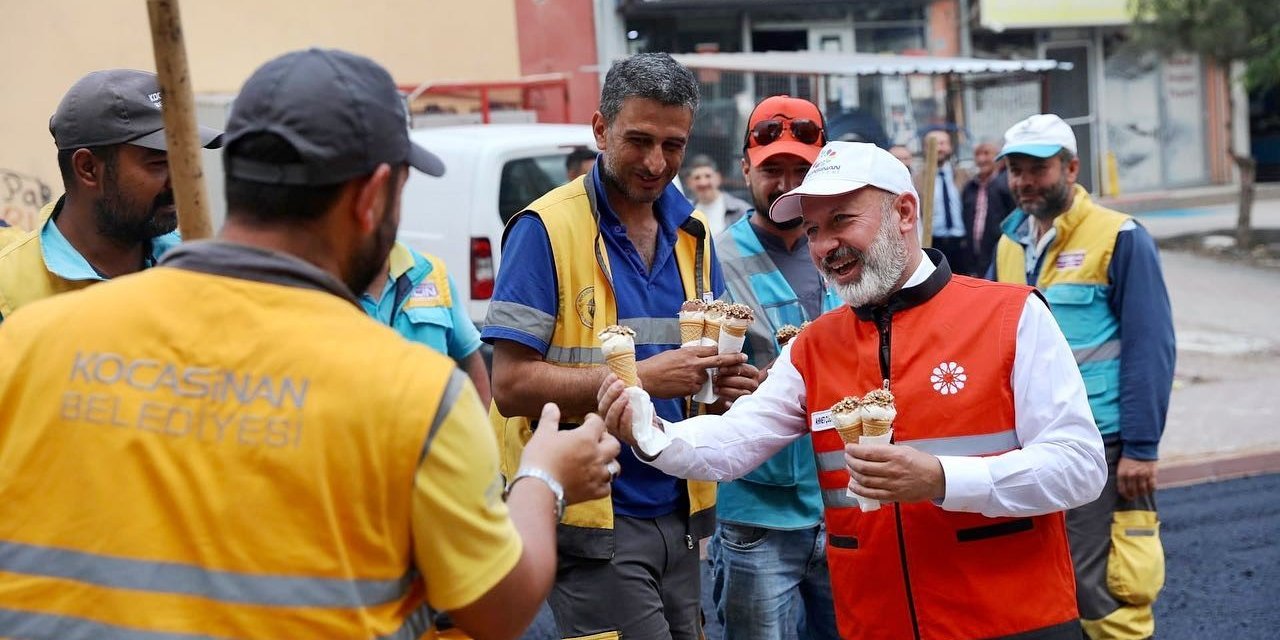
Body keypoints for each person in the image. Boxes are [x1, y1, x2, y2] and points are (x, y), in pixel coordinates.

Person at [0, 48, 621, 639]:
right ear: (373, 196)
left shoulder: (29, 339)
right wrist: (544, 476)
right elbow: (501, 612)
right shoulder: (412, 394)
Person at [599, 141, 1108, 640]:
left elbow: (1080, 467)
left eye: (842, 220)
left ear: (904, 213)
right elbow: (735, 442)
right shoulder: (814, 345)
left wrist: (942, 478)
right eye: (813, 228)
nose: (823, 246)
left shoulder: (1011, 316)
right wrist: (652, 432)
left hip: (1011, 620)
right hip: (874, 622)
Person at [482, 52, 756, 639]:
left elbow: (696, 384)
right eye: (639, 140)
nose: (657, 162)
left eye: (673, 144)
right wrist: (646, 380)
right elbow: (509, 386)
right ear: (600, 129)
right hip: (594, 521)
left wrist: (725, 388)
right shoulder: (544, 229)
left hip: (681, 515)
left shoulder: (694, 235)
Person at [992, 113, 1176, 640]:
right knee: (1047, 580)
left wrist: (1141, 446)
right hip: (1030, 442)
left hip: (1103, 440)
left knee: (1106, 586)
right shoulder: (1009, 244)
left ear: (1071, 168)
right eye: (1017, 170)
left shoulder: (1121, 236)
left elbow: (1151, 347)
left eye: (1039, 169)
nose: (1026, 181)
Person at [709, 94, 841, 640]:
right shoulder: (711, 259)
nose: (786, 184)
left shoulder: (845, 248)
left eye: (799, 170)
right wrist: (712, 390)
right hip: (756, 513)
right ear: (745, 169)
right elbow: (688, 378)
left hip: (844, 502)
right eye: (772, 170)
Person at [0, 69, 224, 321]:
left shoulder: (193, 263)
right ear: (88, 168)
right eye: (159, 164)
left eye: (185, 160)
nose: (181, 182)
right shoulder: (9, 290)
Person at [362, 241, 492, 406]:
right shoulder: (328, 282)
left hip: (433, 429)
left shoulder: (430, 272)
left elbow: (471, 363)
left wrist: (481, 429)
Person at [962, 139, 1016, 277]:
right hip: (975, 255)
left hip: (1000, 251)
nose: (981, 159)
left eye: (986, 154)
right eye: (978, 154)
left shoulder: (1006, 185)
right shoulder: (970, 187)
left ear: (998, 156)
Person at [922, 128, 972, 276]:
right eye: (934, 144)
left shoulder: (964, 175)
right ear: (926, 148)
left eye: (943, 143)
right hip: (934, 243)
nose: (939, 148)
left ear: (950, 147)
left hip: (961, 243)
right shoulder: (918, 179)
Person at [685, 153, 751, 234]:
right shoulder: (685, 214)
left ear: (718, 178)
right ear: (689, 183)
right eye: (697, 178)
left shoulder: (740, 210)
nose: (703, 183)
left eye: (708, 176)